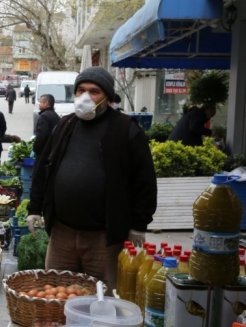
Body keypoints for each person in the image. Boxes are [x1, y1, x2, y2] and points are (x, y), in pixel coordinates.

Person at [26, 66, 157, 294]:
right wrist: (35, 207)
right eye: (80, 91)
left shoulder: (126, 130)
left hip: (103, 239)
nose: (85, 97)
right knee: (58, 294)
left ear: (107, 97)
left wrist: (139, 224)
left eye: (94, 91)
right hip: (62, 235)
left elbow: (144, 180)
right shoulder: (65, 125)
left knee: (101, 297)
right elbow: (43, 169)